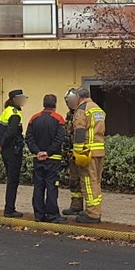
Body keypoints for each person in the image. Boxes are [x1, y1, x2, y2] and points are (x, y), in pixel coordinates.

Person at [25, 94, 66, 223]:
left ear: (43, 104)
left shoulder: (34, 118)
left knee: (38, 186)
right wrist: (48, 152)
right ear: (55, 104)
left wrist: (37, 152)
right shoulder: (59, 119)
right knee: (52, 187)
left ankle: (39, 214)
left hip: (38, 159)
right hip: (53, 159)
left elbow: (29, 138)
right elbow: (59, 139)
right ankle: (52, 214)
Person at [70, 88, 106, 224]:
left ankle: (92, 214)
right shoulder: (97, 109)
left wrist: (78, 152)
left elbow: (79, 131)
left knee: (89, 183)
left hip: (87, 152)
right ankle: (95, 210)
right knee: (96, 182)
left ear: (78, 97)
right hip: (99, 151)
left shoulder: (82, 110)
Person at [0, 89, 27, 218]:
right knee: (13, 180)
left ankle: (9, 208)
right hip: (13, 150)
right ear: (15, 99)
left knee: (11, 179)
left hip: (6, 150)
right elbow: (11, 132)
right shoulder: (15, 114)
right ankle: (9, 209)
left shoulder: (6, 111)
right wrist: (2, 144)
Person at [61, 89, 83, 217]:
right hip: (72, 153)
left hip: (82, 153)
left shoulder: (81, 114)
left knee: (85, 181)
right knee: (74, 180)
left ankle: (90, 209)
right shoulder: (70, 115)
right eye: (68, 101)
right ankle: (76, 206)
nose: (70, 103)